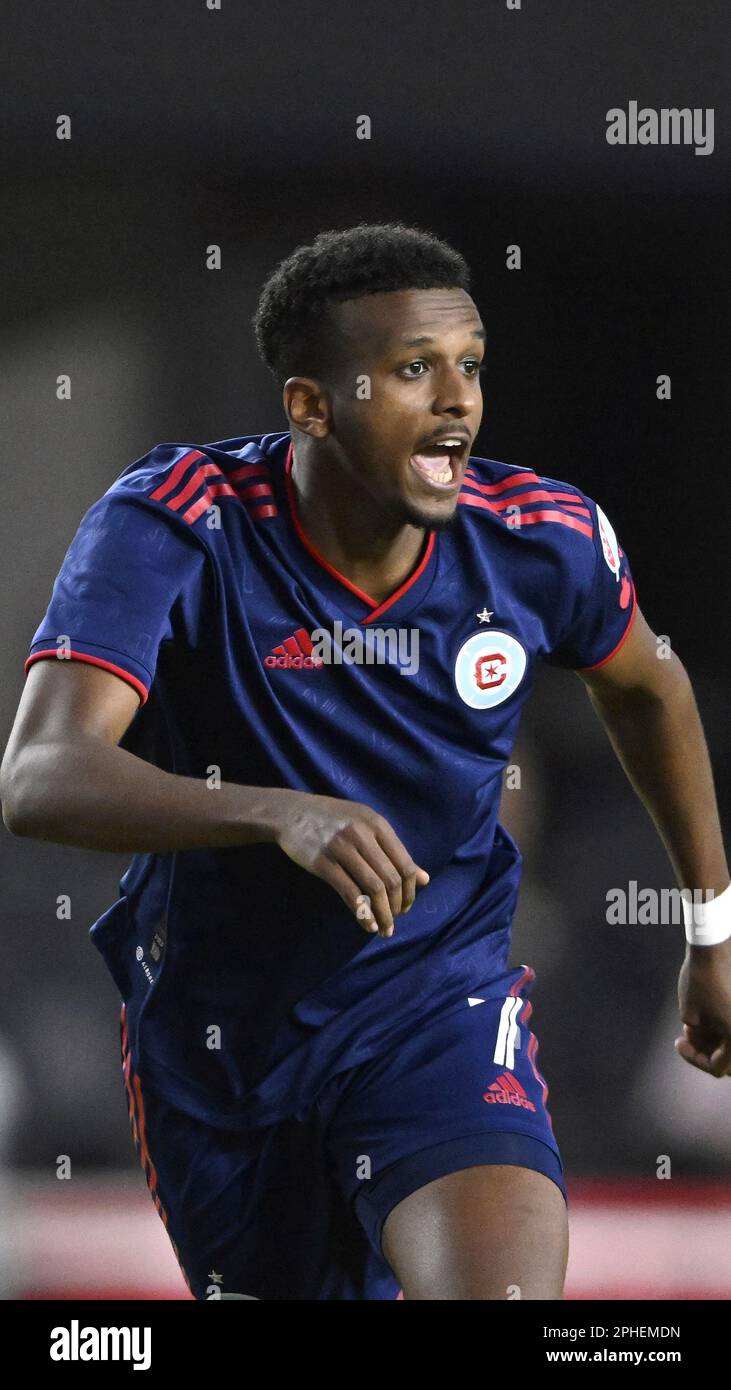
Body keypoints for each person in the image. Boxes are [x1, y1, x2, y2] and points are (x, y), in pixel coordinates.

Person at [2, 223, 729, 1301]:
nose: (456, 401)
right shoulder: (176, 526)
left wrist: (708, 928)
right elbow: (41, 773)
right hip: (222, 1041)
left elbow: (648, 688)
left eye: (469, 364)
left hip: (437, 1007)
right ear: (309, 405)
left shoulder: (540, 540)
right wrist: (275, 814)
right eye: (410, 369)